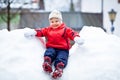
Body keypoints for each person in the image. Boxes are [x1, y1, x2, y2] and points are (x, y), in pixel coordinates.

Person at [24, 10, 84, 79]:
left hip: (63, 49)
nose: (54, 23)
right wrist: (34, 32)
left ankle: (59, 68)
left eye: (56, 21)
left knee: (62, 57)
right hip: (51, 47)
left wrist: (76, 38)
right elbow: (41, 31)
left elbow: (72, 33)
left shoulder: (65, 29)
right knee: (49, 52)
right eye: (52, 22)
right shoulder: (48, 29)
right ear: (50, 22)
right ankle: (47, 62)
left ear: (61, 21)